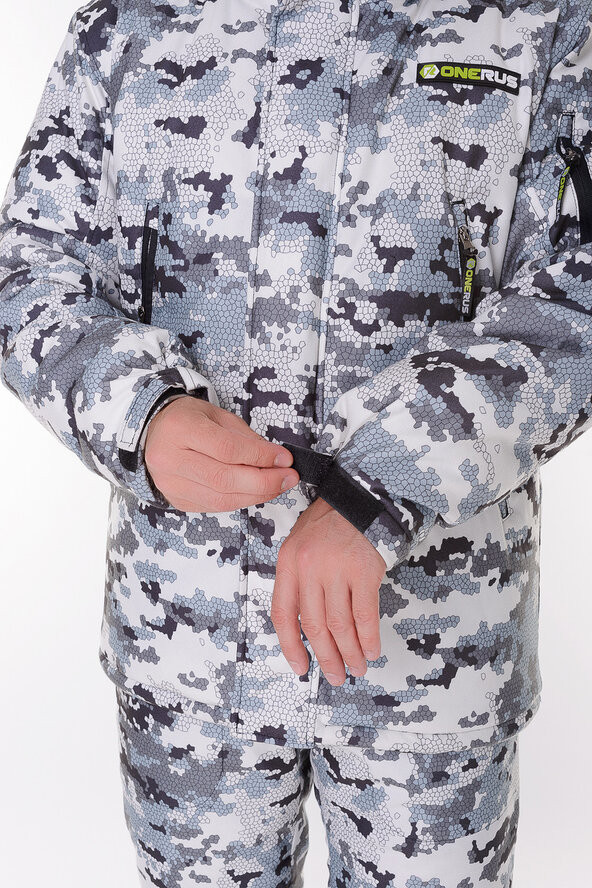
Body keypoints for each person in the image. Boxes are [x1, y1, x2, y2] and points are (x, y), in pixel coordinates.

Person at [1, 0, 591, 884]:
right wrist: (141, 413)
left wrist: (379, 487)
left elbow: (576, 298)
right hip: (190, 653)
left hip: (430, 660)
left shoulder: (543, 22)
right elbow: (30, 268)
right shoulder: (126, 22)